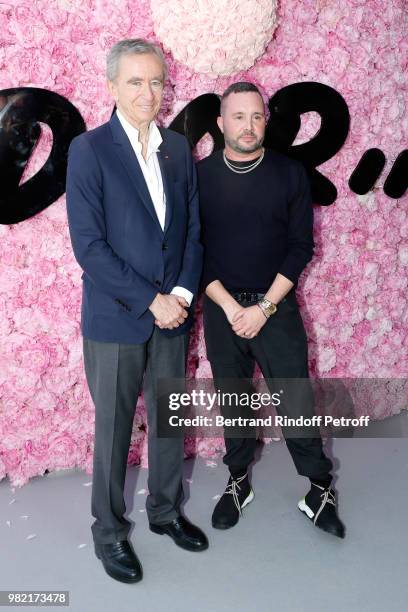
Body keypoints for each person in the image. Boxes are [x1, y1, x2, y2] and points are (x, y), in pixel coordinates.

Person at [66, 38, 207, 584]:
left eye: (155, 82)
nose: (148, 93)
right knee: (115, 430)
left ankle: (166, 513)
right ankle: (109, 534)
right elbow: (90, 246)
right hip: (117, 317)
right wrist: (152, 299)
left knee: (169, 421)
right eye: (135, 82)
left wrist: (183, 298)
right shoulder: (90, 149)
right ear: (112, 87)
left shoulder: (177, 147)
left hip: (174, 313)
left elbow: (191, 231)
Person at [197, 82, 345, 538]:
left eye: (256, 116)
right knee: (235, 401)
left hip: (274, 307)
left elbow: (301, 248)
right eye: (238, 117)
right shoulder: (199, 178)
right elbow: (192, 250)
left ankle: (320, 489)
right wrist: (228, 306)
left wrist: (262, 307)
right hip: (221, 306)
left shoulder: (289, 174)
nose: (248, 125)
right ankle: (238, 482)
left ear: (266, 121)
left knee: (295, 400)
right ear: (221, 124)